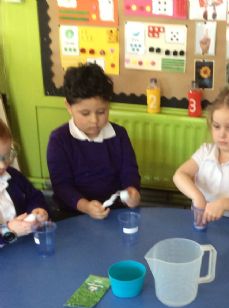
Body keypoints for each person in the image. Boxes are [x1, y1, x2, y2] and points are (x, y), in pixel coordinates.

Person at [47, 63, 141, 220]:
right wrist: (86, 206)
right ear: (68, 107)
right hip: (73, 213)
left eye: (101, 112)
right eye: (85, 113)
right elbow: (62, 186)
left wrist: (132, 192)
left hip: (114, 210)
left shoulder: (119, 135)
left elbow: (129, 172)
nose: (94, 120)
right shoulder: (59, 140)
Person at [173, 87, 229, 224]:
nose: (222, 134)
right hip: (202, 222)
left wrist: (223, 204)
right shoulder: (205, 152)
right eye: (216, 126)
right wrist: (197, 196)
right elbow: (179, 175)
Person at [0, 119, 48, 246]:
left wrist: (37, 210)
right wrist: (9, 231)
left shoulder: (13, 176)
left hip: (25, 246)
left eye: (6, 156)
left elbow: (34, 196)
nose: (3, 165)